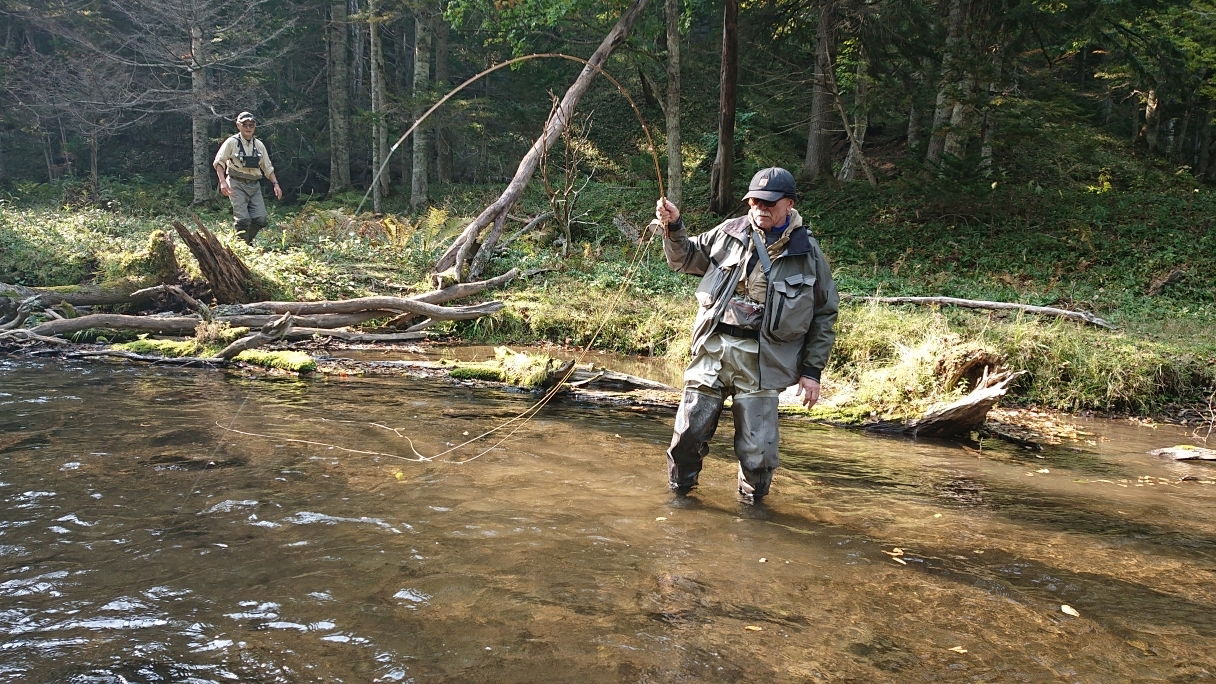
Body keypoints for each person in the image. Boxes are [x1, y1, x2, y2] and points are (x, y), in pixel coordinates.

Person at [654, 167, 838, 505]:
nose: (760, 208)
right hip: (713, 349)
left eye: (769, 202)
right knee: (687, 437)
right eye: (754, 200)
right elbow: (686, 259)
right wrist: (674, 225)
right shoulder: (728, 232)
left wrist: (811, 372)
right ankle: (679, 501)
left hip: (763, 360)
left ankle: (754, 512)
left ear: (789, 204)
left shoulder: (807, 252)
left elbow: (824, 314)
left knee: (758, 452)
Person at [213, 111, 282, 244]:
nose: (248, 128)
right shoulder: (231, 142)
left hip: (254, 185)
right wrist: (222, 182)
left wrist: (276, 184)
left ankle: (245, 242)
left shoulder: (259, 145)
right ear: (238, 125)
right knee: (243, 220)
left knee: (261, 219)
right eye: (245, 124)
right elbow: (219, 162)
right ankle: (241, 247)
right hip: (235, 183)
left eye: (251, 125)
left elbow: (267, 167)